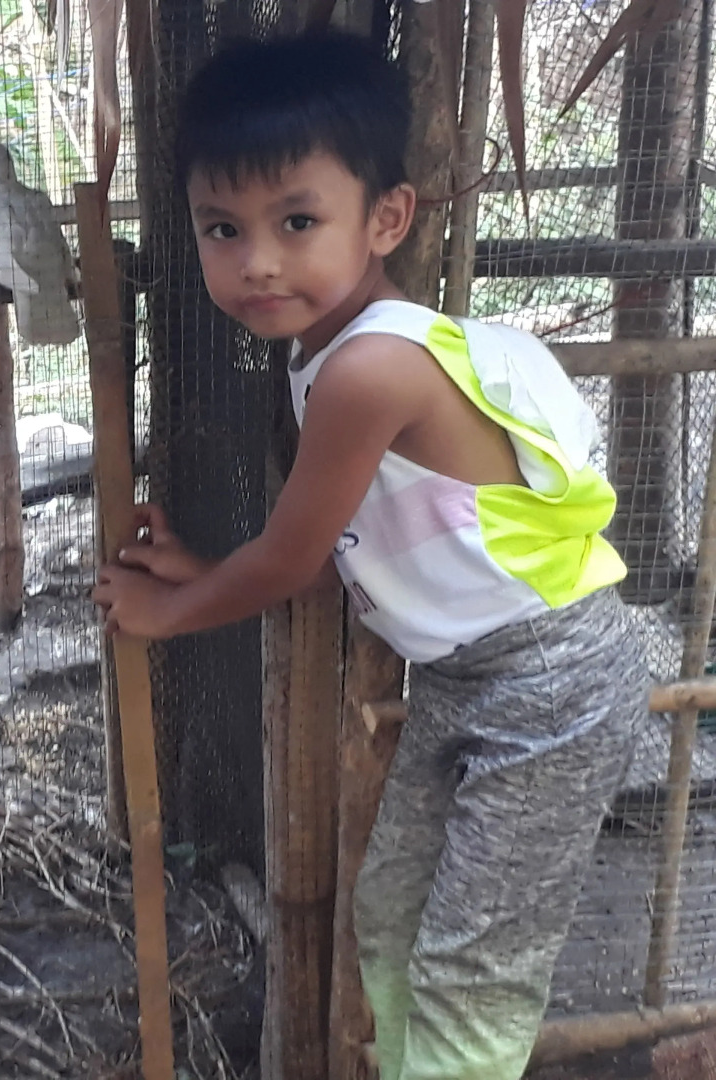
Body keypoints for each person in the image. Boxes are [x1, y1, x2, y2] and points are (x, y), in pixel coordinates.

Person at [91, 30, 648, 1080]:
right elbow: (335, 532)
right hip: (468, 675)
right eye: (223, 227)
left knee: (472, 961)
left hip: (552, 681)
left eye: (297, 221)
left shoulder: (370, 370)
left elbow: (294, 564)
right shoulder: (342, 352)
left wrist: (171, 610)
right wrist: (202, 567)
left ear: (385, 218)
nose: (256, 259)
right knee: (392, 915)